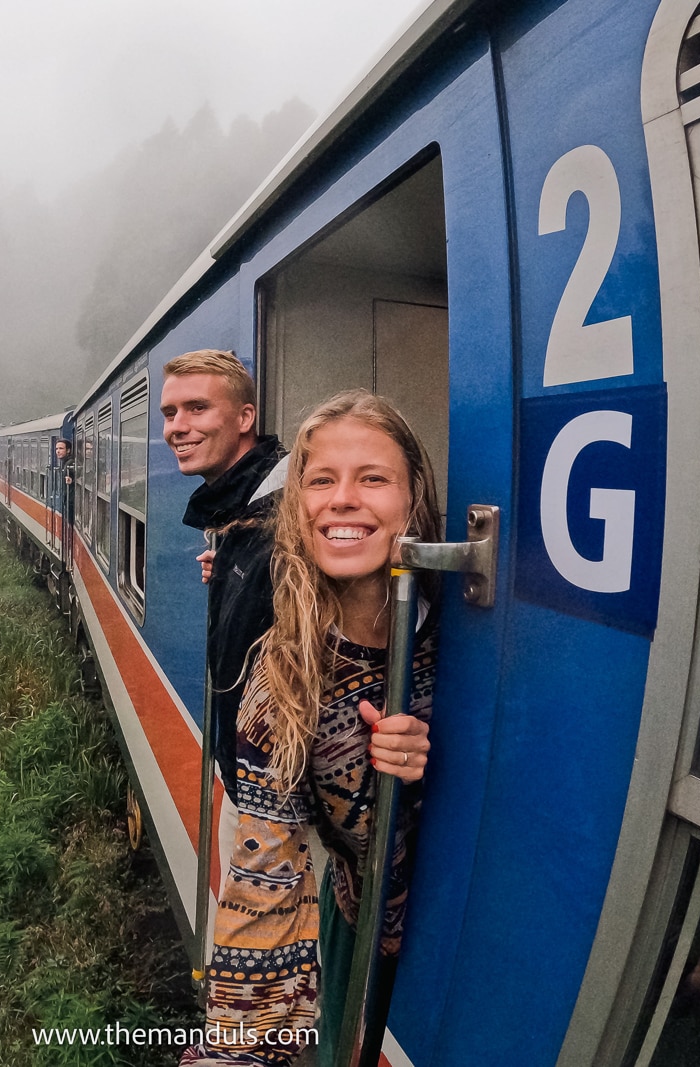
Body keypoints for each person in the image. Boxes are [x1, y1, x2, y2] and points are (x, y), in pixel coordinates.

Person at [181, 389, 441, 1067]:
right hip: (366, 927)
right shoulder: (281, 683)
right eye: (321, 480)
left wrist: (428, 763)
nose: (343, 499)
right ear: (297, 506)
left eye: (373, 478)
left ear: (415, 498)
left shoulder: (471, 629)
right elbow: (262, 886)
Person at [160, 350, 287, 795]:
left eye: (198, 408)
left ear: (244, 417)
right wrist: (236, 569)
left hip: (278, 792)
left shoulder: (286, 513)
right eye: (170, 413)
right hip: (249, 774)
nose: (177, 426)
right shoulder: (242, 515)